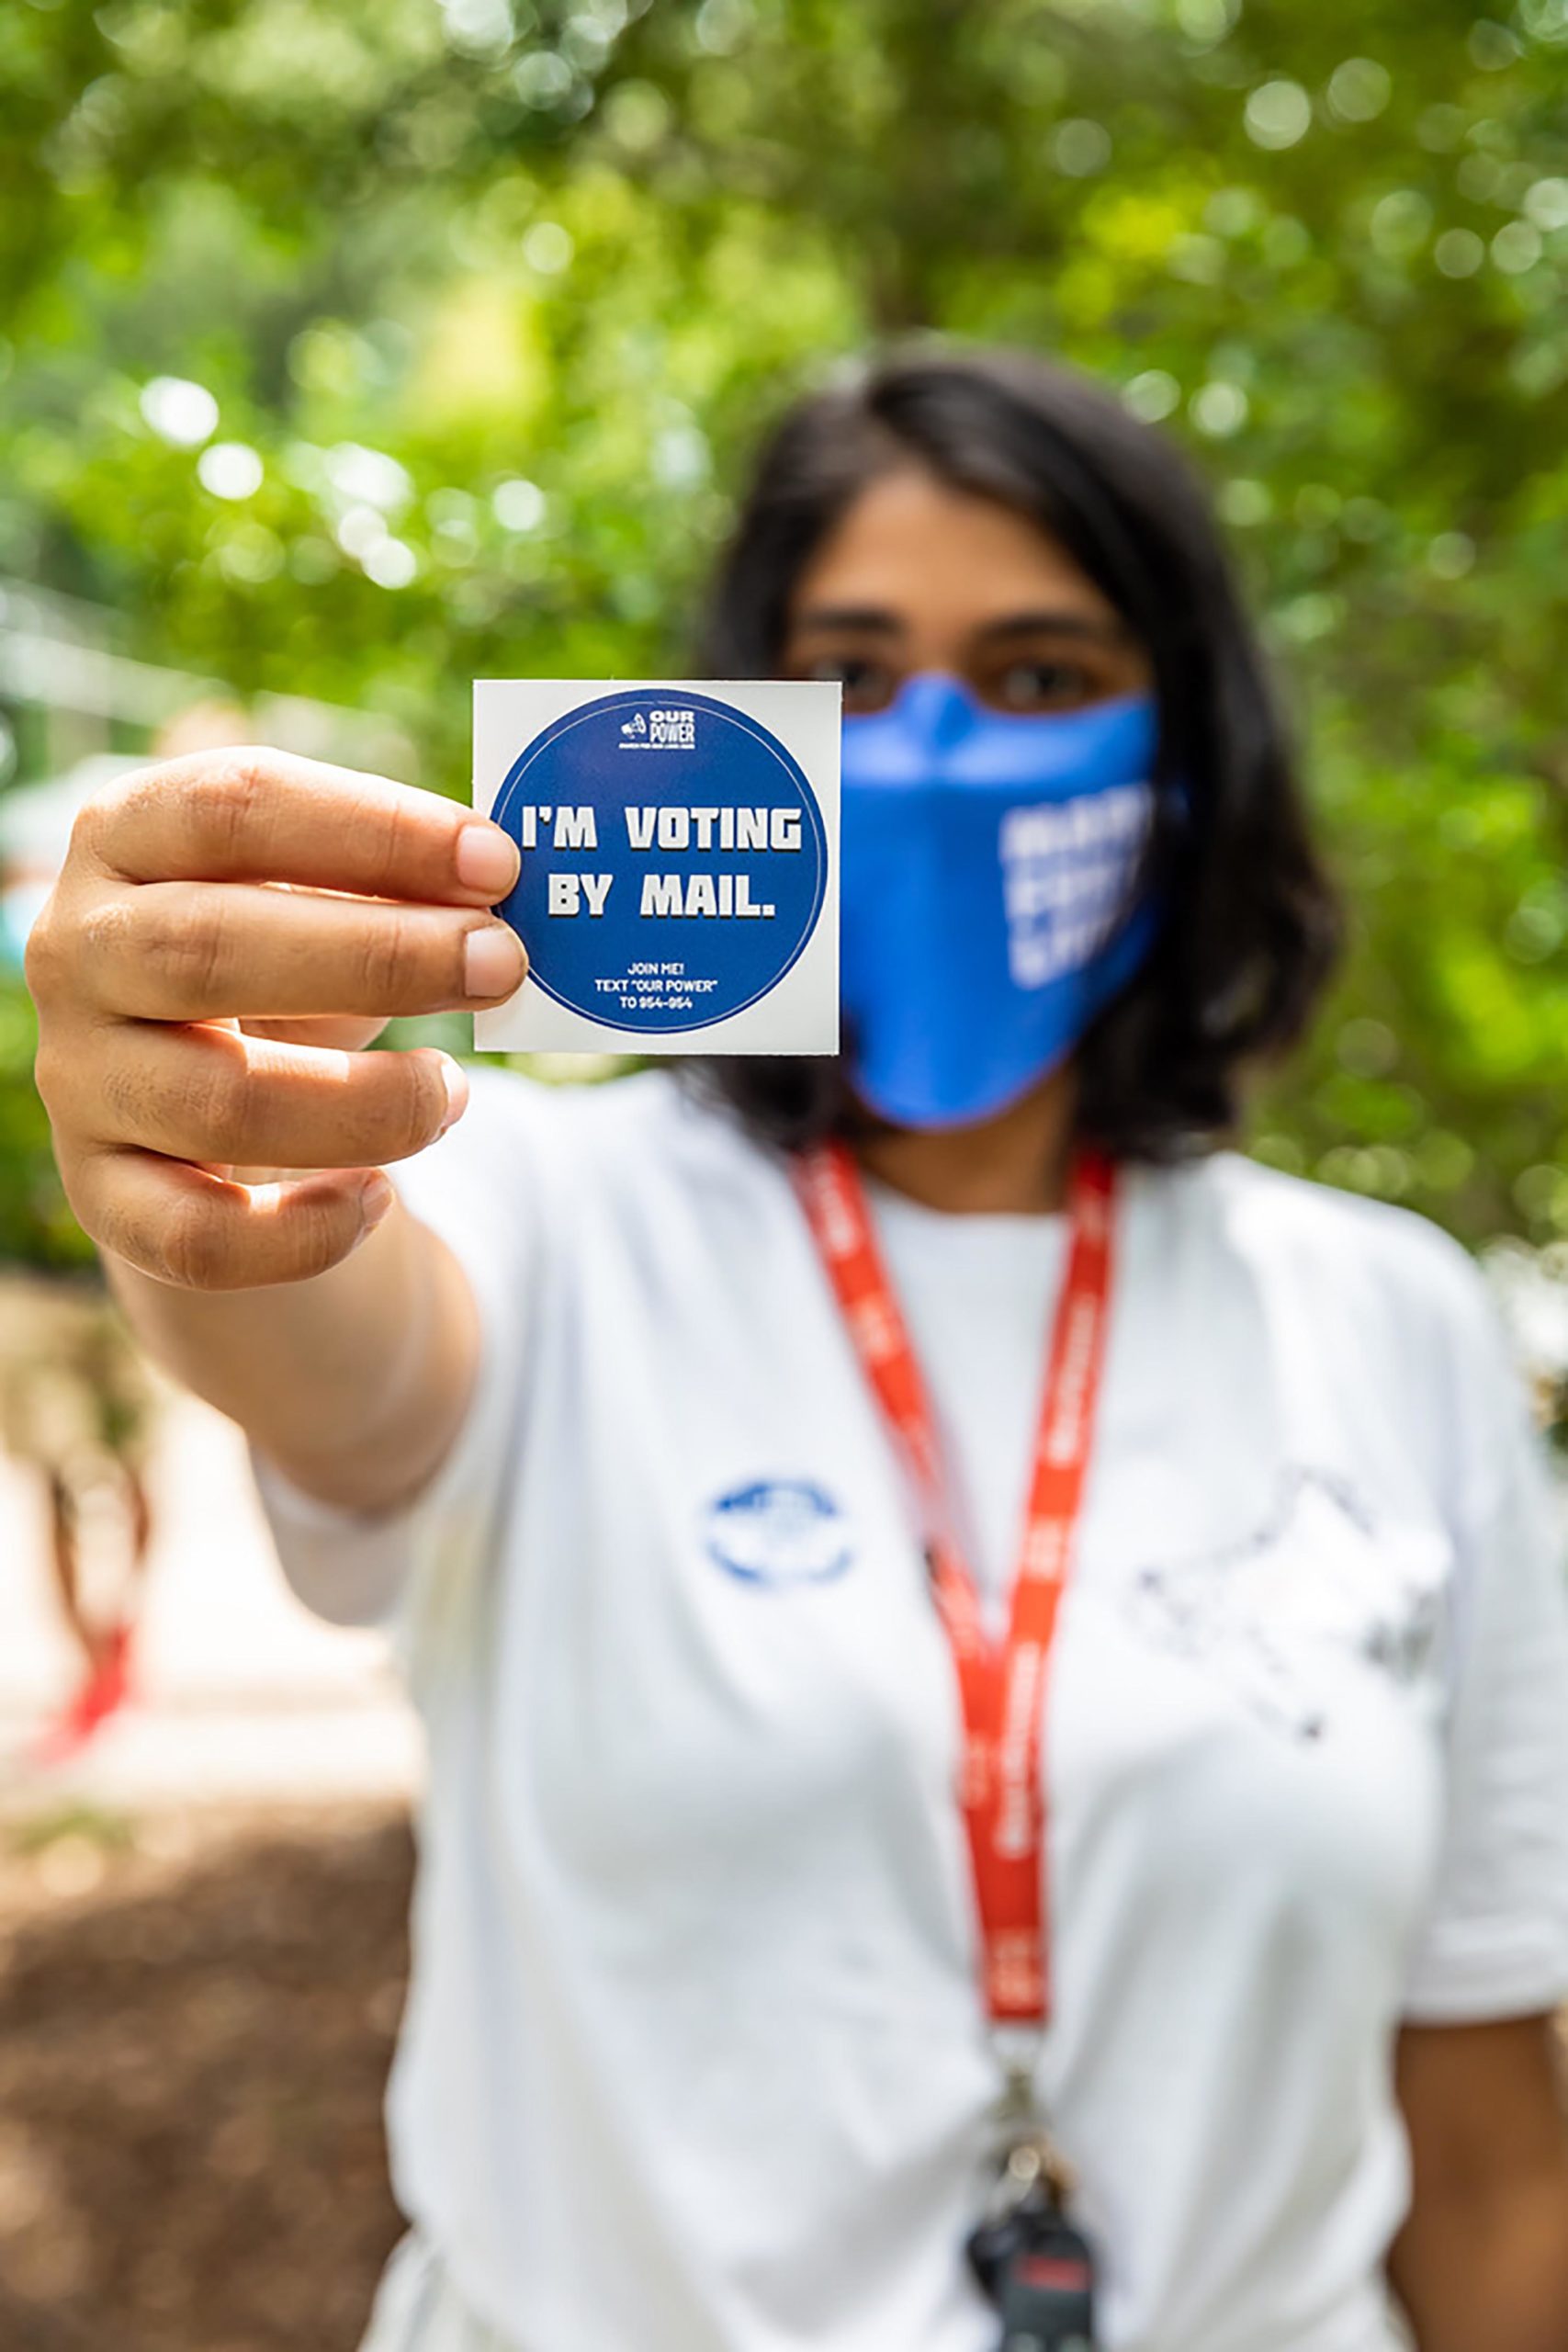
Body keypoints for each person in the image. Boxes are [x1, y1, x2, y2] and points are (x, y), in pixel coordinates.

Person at [23, 348, 1568, 2352]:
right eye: (844, 675)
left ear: (1186, 761)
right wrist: (196, 1134)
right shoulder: (545, 1212)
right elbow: (325, 1332)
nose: (924, 752)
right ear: (726, 733)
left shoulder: (1390, 1317)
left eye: (1033, 677)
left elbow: (1490, 2141)